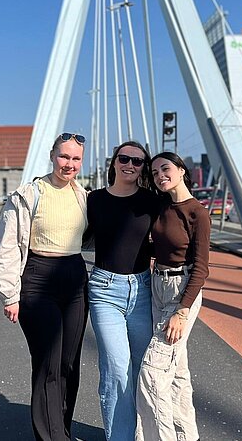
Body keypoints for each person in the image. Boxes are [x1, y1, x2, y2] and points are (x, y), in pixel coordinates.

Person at [0, 133, 89, 441]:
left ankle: (62, 429)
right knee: (48, 361)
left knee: (68, 364)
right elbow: (7, 246)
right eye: (64, 157)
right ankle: (51, 437)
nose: (69, 164)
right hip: (37, 279)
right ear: (51, 155)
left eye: (75, 159)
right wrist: (9, 295)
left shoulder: (82, 195)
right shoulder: (29, 194)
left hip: (74, 277)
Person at [86, 141, 160, 440]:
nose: (130, 164)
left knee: (144, 369)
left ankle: (144, 432)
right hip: (104, 291)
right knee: (117, 369)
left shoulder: (152, 201)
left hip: (142, 289)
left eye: (139, 161)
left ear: (144, 168)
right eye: (124, 158)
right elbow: (64, 231)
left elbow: (176, 230)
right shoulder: (93, 200)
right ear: (113, 162)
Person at [137, 152, 209, 440]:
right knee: (177, 373)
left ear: (181, 170)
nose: (159, 175)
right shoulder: (163, 206)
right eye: (154, 173)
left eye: (165, 169)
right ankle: (186, 436)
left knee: (152, 373)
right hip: (157, 286)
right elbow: (161, 249)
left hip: (182, 291)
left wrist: (182, 311)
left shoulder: (197, 213)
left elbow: (201, 268)